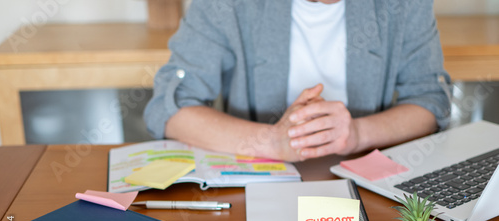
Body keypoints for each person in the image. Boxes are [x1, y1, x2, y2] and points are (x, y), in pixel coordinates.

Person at [144, 0, 452, 162]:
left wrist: (357, 133)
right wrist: (275, 142)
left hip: (367, 186)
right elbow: (170, 108)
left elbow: (430, 101)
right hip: (257, 183)